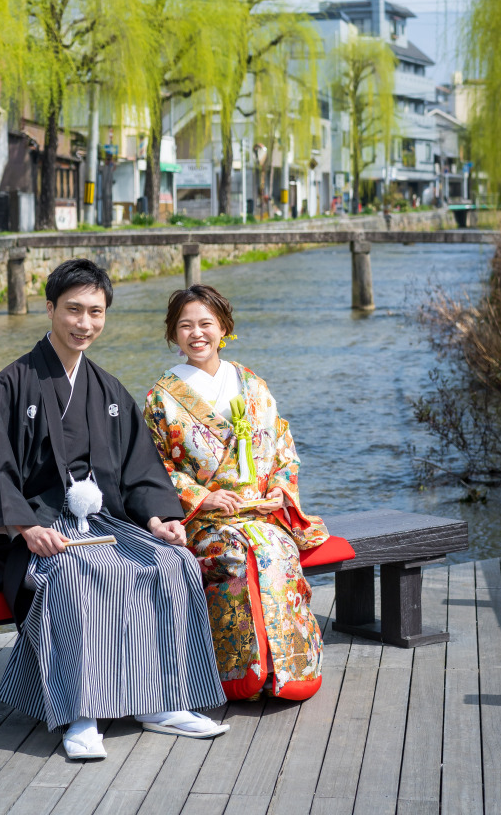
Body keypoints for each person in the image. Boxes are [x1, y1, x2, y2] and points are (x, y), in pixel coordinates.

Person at [0, 259, 228, 761]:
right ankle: (81, 712)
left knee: (172, 563)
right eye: (73, 310)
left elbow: (137, 471)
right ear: (49, 309)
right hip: (38, 530)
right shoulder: (12, 384)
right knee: (79, 574)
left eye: (95, 311)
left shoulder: (108, 389)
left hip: (102, 522)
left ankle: (163, 698)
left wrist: (158, 518)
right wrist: (24, 526)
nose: (83, 323)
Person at [142, 284, 329, 703]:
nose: (197, 334)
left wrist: (280, 488)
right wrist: (201, 498)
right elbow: (155, 466)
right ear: (173, 334)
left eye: (206, 324)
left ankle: (290, 669)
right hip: (207, 521)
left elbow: (283, 445)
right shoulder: (161, 398)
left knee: (276, 552)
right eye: (185, 325)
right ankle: (236, 673)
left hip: (261, 513)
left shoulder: (251, 383)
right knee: (233, 557)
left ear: (223, 328)